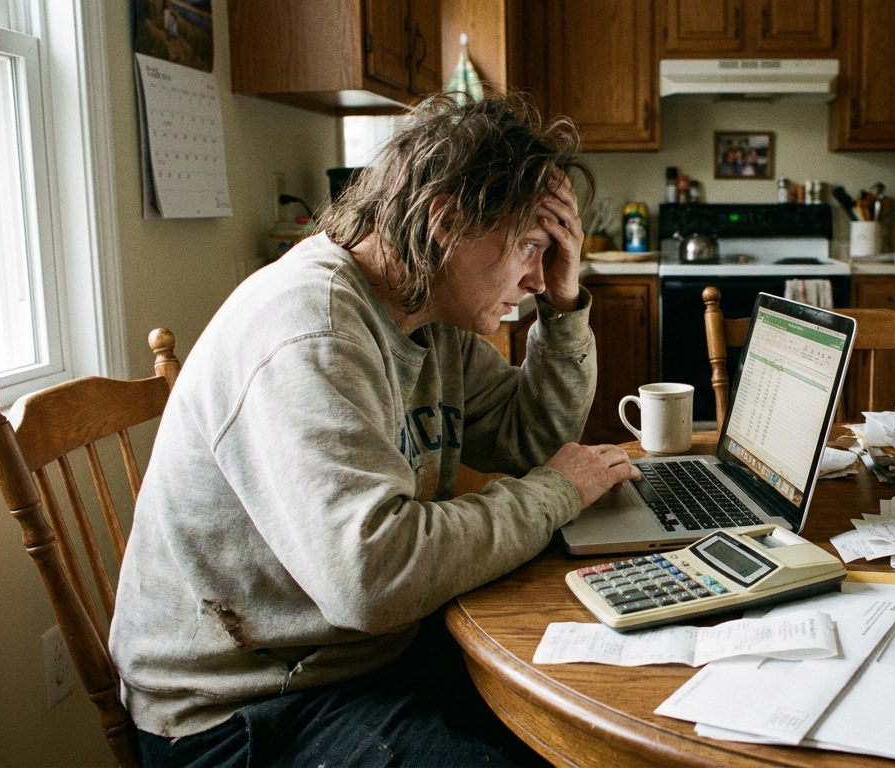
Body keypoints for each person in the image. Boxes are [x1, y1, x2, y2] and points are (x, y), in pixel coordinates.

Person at [109, 93, 643, 767]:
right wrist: (555, 494)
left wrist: (564, 311)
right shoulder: (313, 331)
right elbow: (371, 578)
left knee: (588, 695)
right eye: (531, 247)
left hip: (360, 657)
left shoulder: (425, 311)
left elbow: (527, 441)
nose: (538, 276)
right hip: (241, 711)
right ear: (447, 221)